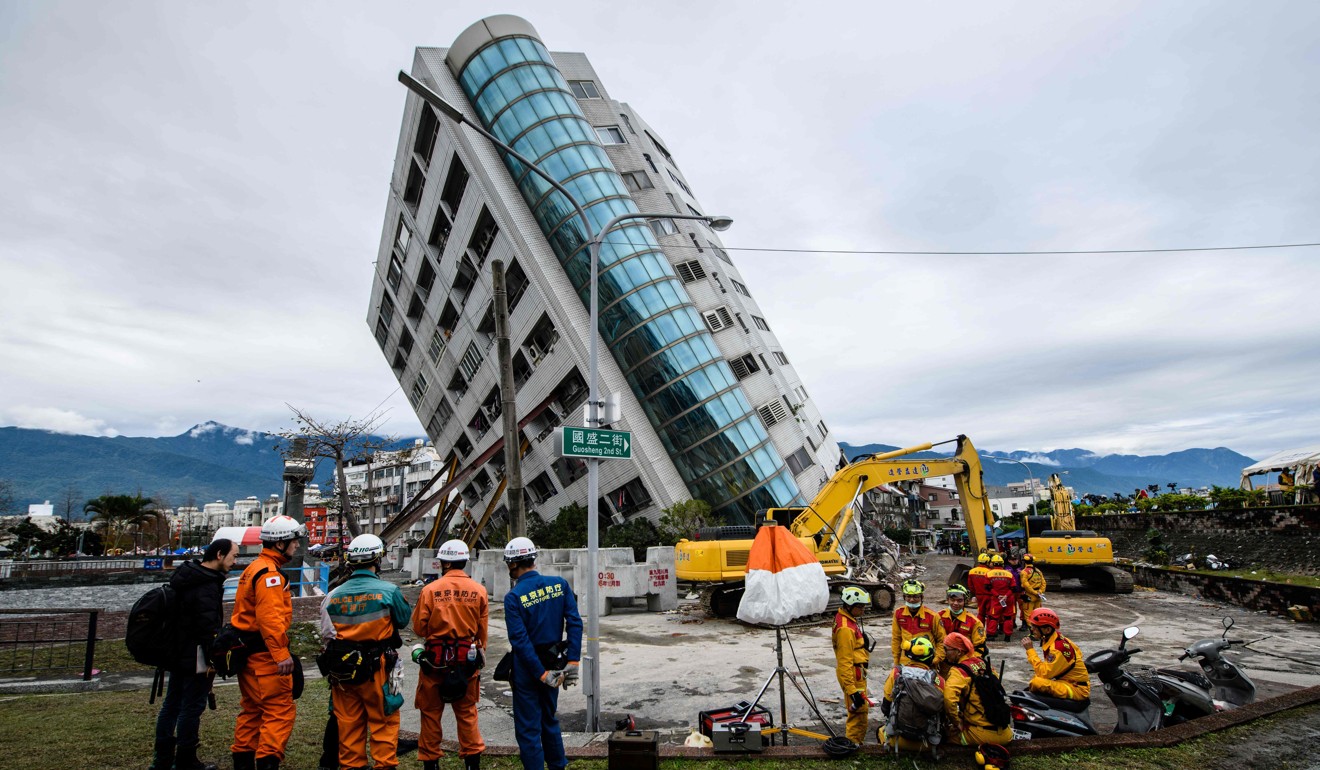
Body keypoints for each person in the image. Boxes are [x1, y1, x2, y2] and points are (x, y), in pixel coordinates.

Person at [322, 534, 411, 770]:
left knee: (349, 727)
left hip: (343, 671)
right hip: (378, 668)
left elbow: (329, 632)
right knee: (383, 722)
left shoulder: (334, 595)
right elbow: (402, 620)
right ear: (377, 560)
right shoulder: (389, 591)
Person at [150, 539, 236, 770]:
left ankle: (162, 758)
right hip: (196, 655)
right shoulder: (207, 585)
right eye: (233, 556)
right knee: (192, 706)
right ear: (219, 554)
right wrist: (213, 659)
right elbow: (207, 628)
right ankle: (186, 759)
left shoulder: (186, 577)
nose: (235, 561)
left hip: (176, 651)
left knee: (171, 705)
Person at [230, 515, 304, 770]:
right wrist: (281, 654)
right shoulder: (270, 575)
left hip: (249, 654)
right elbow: (270, 618)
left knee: (252, 710)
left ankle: (242, 761)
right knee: (278, 711)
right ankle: (267, 762)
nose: (296, 546)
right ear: (281, 543)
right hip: (265, 657)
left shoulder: (254, 567)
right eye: (294, 541)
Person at [503, 537, 583, 770]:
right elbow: (575, 623)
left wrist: (540, 673)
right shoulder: (559, 585)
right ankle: (558, 765)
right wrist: (573, 661)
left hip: (528, 670)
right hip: (555, 660)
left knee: (528, 728)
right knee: (549, 718)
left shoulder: (514, 597)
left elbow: (520, 641)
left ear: (512, 564)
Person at [413, 539, 489, 770]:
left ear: (444, 563)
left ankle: (431, 762)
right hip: (466, 662)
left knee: (431, 713)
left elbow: (419, 628)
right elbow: (481, 634)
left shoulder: (430, 590)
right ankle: (471, 762)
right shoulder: (479, 591)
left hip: (435, 662)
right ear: (465, 561)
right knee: (466, 713)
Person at [942, 633, 1013, 747]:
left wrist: (957, 722)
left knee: (942, 736)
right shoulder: (983, 663)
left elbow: (948, 699)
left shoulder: (959, 671)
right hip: (1006, 733)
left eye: (946, 649)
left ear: (959, 652)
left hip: (981, 734)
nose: (944, 653)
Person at [878, 636, 945, 753]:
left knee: (880, 730)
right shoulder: (938, 680)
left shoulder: (897, 673)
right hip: (927, 744)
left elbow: (885, 706)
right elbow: (943, 711)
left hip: (898, 741)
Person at [832, 585, 874, 745]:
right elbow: (844, 662)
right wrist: (852, 691)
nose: (863, 610)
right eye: (861, 607)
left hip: (857, 672)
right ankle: (853, 744)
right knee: (859, 712)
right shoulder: (845, 629)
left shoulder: (847, 620)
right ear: (850, 606)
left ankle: (855, 742)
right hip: (853, 676)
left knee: (859, 711)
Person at [1020, 608, 1090, 701]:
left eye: (1035, 627)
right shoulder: (1057, 638)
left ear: (1047, 630)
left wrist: (1030, 650)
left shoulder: (1057, 648)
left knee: (1037, 682)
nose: (1032, 630)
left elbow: (1043, 673)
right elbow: (1079, 653)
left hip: (1077, 688)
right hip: (1067, 681)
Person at [891, 579, 945, 668]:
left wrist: (936, 660)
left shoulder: (932, 616)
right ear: (904, 597)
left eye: (915, 596)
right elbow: (896, 639)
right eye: (908, 596)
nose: (912, 600)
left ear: (921, 597)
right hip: (906, 663)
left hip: (926, 663)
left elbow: (941, 640)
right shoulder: (898, 613)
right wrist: (896, 662)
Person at [936, 585, 986, 679]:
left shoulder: (974, 622)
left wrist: (967, 664)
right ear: (948, 600)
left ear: (965, 601)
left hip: (963, 665)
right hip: (943, 662)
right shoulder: (938, 617)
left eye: (959, 600)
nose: (955, 603)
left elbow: (979, 648)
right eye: (952, 600)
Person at [985, 554, 1017, 642]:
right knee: (1008, 618)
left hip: (996, 599)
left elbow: (988, 587)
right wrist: (1006, 595)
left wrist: (998, 596)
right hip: (1008, 599)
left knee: (993, 617)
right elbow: (1013, 588)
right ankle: (1007, 637)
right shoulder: (1009, 574)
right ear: (1002, 563)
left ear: (993, 563)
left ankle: (991, 635)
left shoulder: (989, 574)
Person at [1017, 554, 1046, 627]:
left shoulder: (1024, 572)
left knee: (1028, 615)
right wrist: (1040, 592)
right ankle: (1039, 629)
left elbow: (1026, 585)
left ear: (1024, 562)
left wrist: (1034, 592)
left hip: (1029, 596)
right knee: (1038, 614)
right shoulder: (1038, 571)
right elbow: (1043, 583)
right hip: (1038, 596)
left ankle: (1033, 631)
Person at [968, 553, 993, 621]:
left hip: (978, 595)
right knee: (989, 614)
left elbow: (970, 585)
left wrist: (975, 593)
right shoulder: (990, 572)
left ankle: (980, 629)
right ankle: (989, 630)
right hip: (989, 595)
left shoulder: (971, 571)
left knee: (981, 613)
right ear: (987, 561)